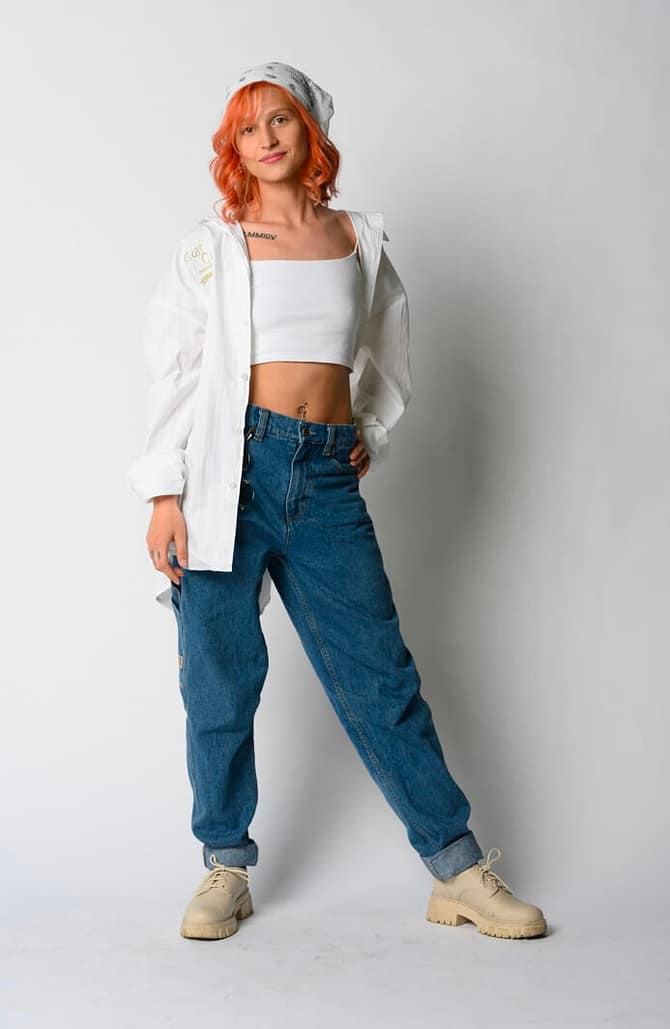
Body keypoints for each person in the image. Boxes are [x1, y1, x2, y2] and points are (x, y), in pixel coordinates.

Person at [127, 60, 547, 942]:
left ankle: (456, 868)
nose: (265, 138)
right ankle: (225, 865)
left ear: (309, 128)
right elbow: (176, 366)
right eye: (248, 127)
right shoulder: (214, 244)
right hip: (226, 472)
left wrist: (370, 432)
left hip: (322, 478)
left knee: (380, 674)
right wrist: (164, 490)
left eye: (279, 119)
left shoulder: (358, 239)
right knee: (219, 677)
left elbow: (389, 354)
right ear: (233, 145)